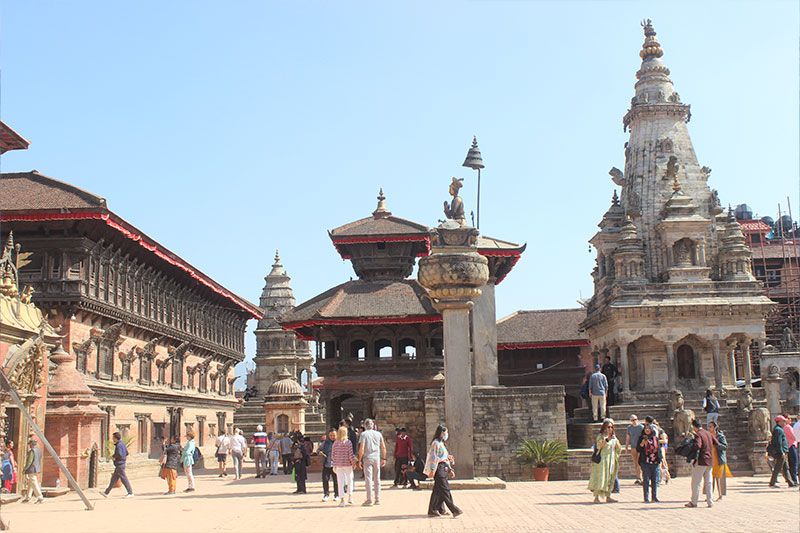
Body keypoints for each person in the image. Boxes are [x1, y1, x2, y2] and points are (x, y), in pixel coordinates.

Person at [423, 424, 463, 518]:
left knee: (438, 490)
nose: (446, 434)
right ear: (441, 433)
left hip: (444, 467)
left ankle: (436, 509)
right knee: (445, 490)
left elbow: (445, 458)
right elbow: (434, 457)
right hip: (438, 468)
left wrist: (450, 469)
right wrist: (432, 469)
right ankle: (454, 509)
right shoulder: (435, 443)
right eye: (445, 432)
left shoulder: (442, 444)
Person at [686, 418, 719, 507]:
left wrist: (691, 447)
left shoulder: (698, 434)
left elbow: (698, 445)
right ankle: (710, 501)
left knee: (696, 482)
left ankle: (694, 501)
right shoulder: (708, 433)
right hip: (710, 460)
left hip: (701, 460)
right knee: (708, 482)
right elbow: (716, 442)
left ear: (694, 427)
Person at [588, 418, 620, 504]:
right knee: (601, 477)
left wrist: (615, 440)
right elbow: (599, 446)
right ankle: (596, 497)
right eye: (608, 427)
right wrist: (607, 440)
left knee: (610, 478)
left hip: (611, 460)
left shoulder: (614, 437)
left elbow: (618, 448)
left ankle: (608, 496)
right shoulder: (601, 436)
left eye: (611, 427)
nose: (610, 429)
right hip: (602, 461)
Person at [358, 418, 386, 506]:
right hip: (376, 457)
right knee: (377, 478)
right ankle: (377, 499)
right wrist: (384, 458)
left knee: (368, 479)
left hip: (367, 457)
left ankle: (369, 499)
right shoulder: (378, 434)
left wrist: (359, 460)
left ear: (365, 426)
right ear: (373, 426)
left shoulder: (363, 434)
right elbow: (383, 447)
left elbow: (361, 448)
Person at [101, 432, 133, 499]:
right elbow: (126, 453)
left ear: (116, 438)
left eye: (113, 438)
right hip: (121, 463)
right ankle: (106, 492)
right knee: (114, 479)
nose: (112, 439)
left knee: (123, 478)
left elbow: (120, 454)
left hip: (120, 464)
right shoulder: (122, 444)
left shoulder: (119, 445)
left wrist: (114, 457)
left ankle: (130, 492)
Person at [636, 424, 662, 503]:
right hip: (645, 462)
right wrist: (642, 444)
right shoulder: (641, 438)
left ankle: (654, 497)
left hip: (654, 461)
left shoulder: (655, 438)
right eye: (645, 429)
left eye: (648, 429)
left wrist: (660, 460)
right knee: (646, 480)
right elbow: (638, 449)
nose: (647, 430)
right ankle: (646, 497)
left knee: (654, 480)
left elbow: (659, 450)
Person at [332, 426, 357, 507]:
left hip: (339, 465)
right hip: (347, 465)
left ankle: (342, 500)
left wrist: (335, 463)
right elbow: (350, 454)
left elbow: (333, 455)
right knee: (350, 480)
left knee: (340, 482)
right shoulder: (348, 442)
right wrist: (353, 463)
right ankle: (350, 496)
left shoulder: (335, 443)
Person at [767, 415, 795, 488]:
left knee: (786, 468)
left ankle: (791, 482)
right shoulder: (778, 430)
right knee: (778, 467)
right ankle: (772, 482)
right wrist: (781, 452)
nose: (784, 422)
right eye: (783, 421)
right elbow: (778, 442)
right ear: (779, 422)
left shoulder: (779, 429)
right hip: (781, 452)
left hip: (783, 451)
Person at [707, 421, 731, 500]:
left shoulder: (720, 436)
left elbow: (725, 446)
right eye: (709, 426)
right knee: (710, 478)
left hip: (718, 458)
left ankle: (720, 494)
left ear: (715, 428)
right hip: (710, 458)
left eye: (711, 426)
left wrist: (716, 444)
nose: (709, 428)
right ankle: (710, 494)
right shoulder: (708, 436)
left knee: (718, 478)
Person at [318, 428, 339, 501]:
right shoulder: (325, 442)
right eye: (331, 435)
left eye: (334, 435)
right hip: (326, 464)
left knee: (336, 481)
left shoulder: (339, 442)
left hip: (336, 465)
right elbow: (319, 449)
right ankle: (326, 494)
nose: (332, 437)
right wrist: (320, 452)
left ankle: (337, 494)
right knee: (325, 480)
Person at [21, 439, 44, 504]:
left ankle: (40, 497)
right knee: (30, 483)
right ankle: (28, 497)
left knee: (33, 482)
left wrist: (25, 469)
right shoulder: (39, 450)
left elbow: (30, 461)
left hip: (32, 468)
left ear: (31, 444)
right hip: (36, 467)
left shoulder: (32, 451)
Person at [625, 414, 643, 485]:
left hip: (640, 447)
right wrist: (626, 446)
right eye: (633, 420)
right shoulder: (629, 428)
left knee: (639, 462)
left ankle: (641, 477)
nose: (634, 421)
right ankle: (638, 477)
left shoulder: (641, 427)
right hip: (633, 447)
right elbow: (628, 437)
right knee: (635, 463)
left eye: (635, 419)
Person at [782, 413, 799, 487]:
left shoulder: (786, 427)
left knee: (792, 463)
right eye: (788, 418)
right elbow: (794, 436)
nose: (790, 420)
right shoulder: (787, 427)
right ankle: (794, 479)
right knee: (794, 463)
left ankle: (792, 479)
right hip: (791, 445)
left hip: (790, 445)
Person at [654, 419, 670, 484]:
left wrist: (656, 440)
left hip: (661, 448)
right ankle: (659, 478)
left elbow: (664, 441)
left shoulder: (661, 431)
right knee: (658, 464)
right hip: (655, 448)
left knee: (663, 463)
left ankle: (666, 477)